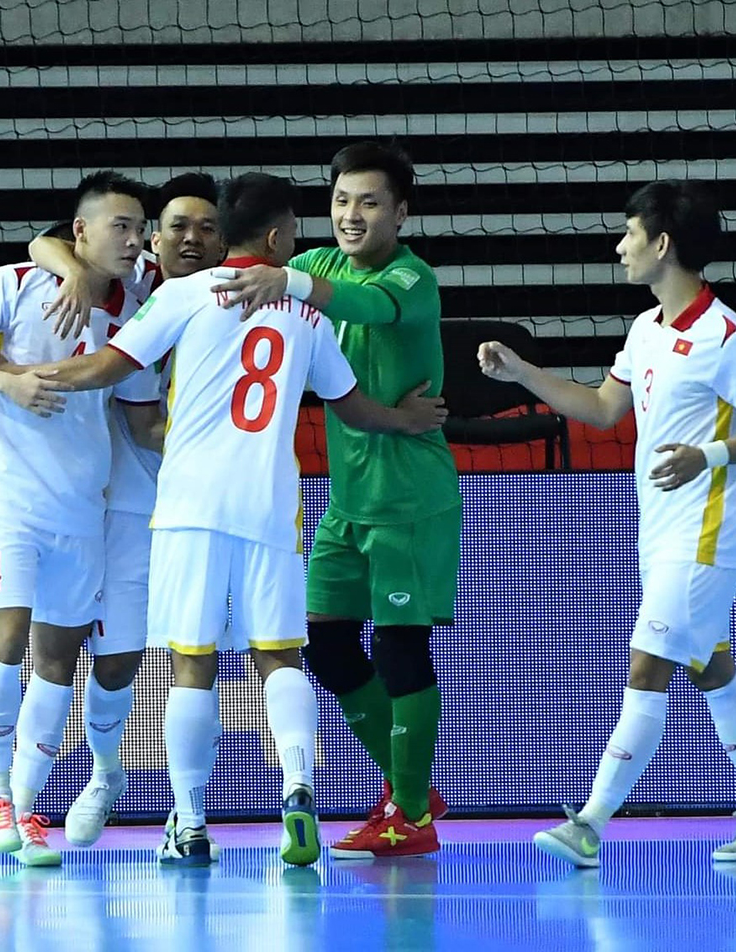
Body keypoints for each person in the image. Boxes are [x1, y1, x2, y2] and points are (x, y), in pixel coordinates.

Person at [20, 171, 448, 867]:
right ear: (279, 238)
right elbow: (353, 406)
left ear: (227, 230)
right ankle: (299, 788)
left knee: (192, 666)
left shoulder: (188, 294)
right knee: (279, 657)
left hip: (190, 505)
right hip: (271, 504)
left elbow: (108, 365)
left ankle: (189, 825)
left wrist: (25, 377)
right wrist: (406, 419)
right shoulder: (306, 314)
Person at [478, 179, 736, 867]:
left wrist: (708, 455)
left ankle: (590, 824)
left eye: (628, 233)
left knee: (648, 664)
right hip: (657, 535)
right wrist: (520, 372)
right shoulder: (644, 328)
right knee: (712, 668)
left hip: (704, 535)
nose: (619, 245)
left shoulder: (729, 337)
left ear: (661, 244)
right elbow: (601, 409)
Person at [214, 141, 461, 859]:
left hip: (410, 495)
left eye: (370, 202)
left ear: (401, 212)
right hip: (345, 500)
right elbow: (262, 282)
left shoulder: (413, 279)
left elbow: (365, 304)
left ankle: (410, 817)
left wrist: (283, 276)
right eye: (341, 201)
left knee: (399, 648)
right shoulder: (314, 265)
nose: (351, 216)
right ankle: (408, 784)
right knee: (322, 642)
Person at [0, 171, 160, 866]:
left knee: (57, 661)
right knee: (6, 635)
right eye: (119, 226)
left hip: (84, 505)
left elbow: (142, 400)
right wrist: (8, 380)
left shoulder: (141, 301)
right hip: (9, 496)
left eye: (139, 226)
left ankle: (28, 809)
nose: (135, 238)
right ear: (81, 231)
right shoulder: (15, 281)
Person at [27, 173, 228, 856]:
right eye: (175, 227)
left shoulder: (228, 303)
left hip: (181, 499)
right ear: (154, 235)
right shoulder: (130, 274)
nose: (188, 240)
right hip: (99, 494)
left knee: (152, 660)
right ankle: (64, 790)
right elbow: (47, 240)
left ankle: (146, 793)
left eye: (205, 229)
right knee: (83, 654)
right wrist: (73, 277)